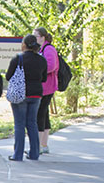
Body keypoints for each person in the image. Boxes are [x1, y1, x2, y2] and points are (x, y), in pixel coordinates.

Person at [5, 34, 47, 161]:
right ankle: (34, 154)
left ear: (24, 44)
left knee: (19, 124)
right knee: (32, 124)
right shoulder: (42, 60)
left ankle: (17, 155)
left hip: (20, 94)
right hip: (36, 94)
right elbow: (44, 78)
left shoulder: (18, 58)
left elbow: (8, 76)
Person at [33, 27, 57, 155]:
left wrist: (37, 69)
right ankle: (44, 144)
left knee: (40, 114)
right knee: (44, 113)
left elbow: (51, 66)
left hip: (47, 87)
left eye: (36, 36)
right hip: (44, 86)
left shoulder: (49, 49)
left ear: (42, 37)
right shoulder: (42, 49)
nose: (34, 38)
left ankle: (38, 145)